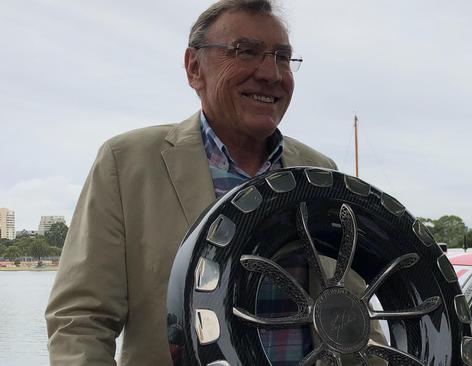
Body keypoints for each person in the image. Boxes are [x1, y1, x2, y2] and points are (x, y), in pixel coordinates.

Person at [46, 1, 385, 365]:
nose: (271, 73)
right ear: (194, 68)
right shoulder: (126, 163)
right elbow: (80, 323)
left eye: (282, 57)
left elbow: (358, 312)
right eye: (247, 51)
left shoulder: (320, 172)